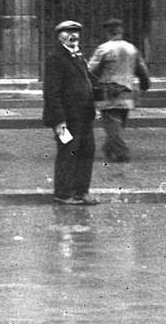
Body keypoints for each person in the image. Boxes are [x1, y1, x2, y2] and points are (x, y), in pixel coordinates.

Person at [42, 19, 98, 204]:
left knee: (86, 151)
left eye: (75, 32)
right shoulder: (55, 58)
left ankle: (81, 192)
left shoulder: (79, 57)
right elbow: (51, 92)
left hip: (84, 117)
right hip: (66, 119)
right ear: (60, 36)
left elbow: (89, 81)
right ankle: (63, 193)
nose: (73, 36)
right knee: (68, 152)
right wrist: (59, 121)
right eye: (67, 32)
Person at [87, 18, 151, 163]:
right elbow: (142, 70)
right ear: (121, 31)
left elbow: (91, 70)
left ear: (106, 32)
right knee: (120, 122)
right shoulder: (131, 48)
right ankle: (109, 148)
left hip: (107, 92)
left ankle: (122, 152)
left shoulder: (104, 49)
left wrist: (88, 85)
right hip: (127, 92)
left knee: (111, 124)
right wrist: (145, 84)